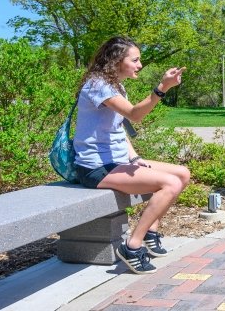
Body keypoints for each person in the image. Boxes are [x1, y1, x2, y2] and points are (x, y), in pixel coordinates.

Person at [73, 36, 190, 274]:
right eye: (135, 60)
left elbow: (118, 126)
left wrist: (134, 157)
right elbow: (134, 115)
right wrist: (162, 88)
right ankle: (132, 246)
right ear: (117, 60)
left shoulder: (115, 85)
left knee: (182, 173)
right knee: (169, 183)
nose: (139, 65)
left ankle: (150, 231)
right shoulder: (98, 85)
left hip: (117, 161)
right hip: (96, 167)